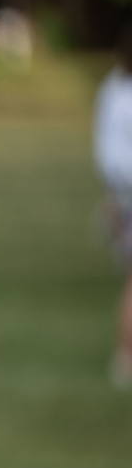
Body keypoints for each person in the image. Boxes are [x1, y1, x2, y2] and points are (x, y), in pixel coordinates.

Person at [95, 25, 132, 385]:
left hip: (120, 191)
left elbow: (106, 156)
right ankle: (125, 357)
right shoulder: (120, 93)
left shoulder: (111, 88)